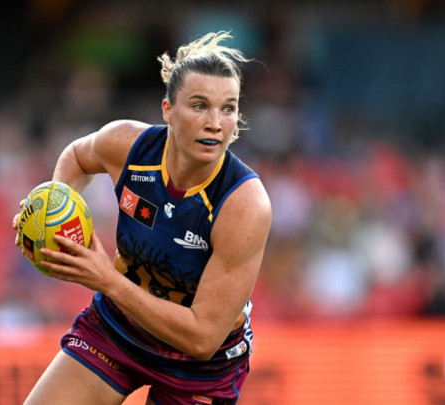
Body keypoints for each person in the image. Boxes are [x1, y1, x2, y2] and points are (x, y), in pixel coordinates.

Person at [17, 31, 272, 405]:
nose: (216, 123)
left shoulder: (245, 205)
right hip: (118, 329)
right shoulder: (129, 145)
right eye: (199, 105)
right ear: (168, 110)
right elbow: (77, 155)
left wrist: (108, 280)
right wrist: (52, 207)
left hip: (199, 371)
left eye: (228, 108)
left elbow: (202, 338)